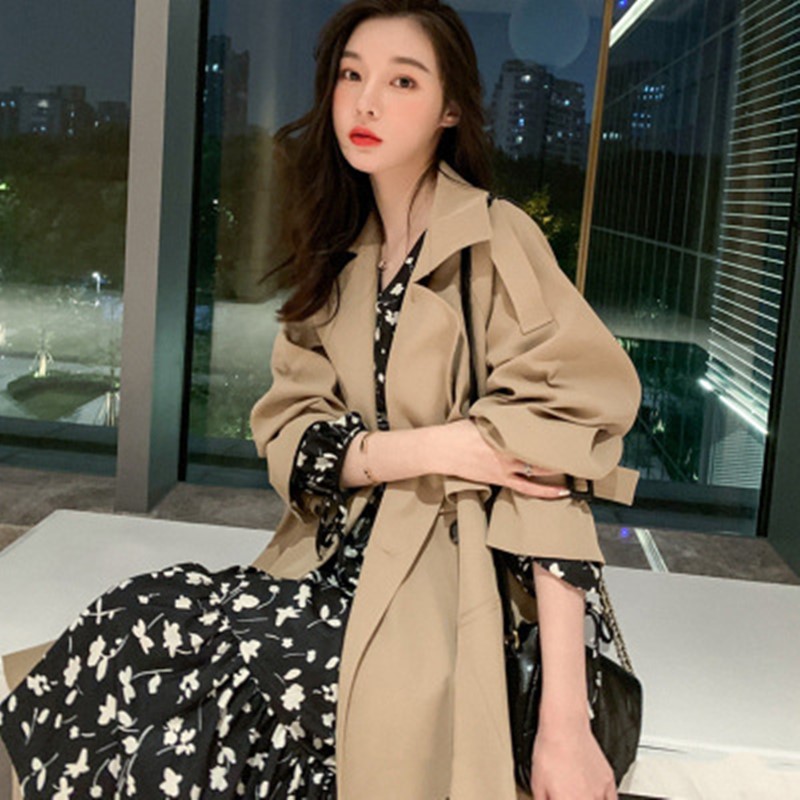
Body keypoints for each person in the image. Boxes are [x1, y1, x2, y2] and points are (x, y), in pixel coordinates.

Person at [0, 1, 640, 798]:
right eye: (350, 75)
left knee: (187, 664)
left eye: (402, 81)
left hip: (440, 598)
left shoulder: (494, 239)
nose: (366, 102)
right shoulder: (343, 254)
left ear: (450, 109)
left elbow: (553, 471)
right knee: (142, 622)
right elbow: (291, 440)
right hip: (334, 567)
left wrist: (565, 725)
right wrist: (441, 447)